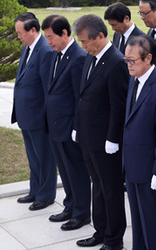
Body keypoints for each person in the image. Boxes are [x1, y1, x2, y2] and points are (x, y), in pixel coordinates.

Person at [72, 15, 128, 250]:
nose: (83, 47)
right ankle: (101, 231)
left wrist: (113, 138)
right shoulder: (91, 57)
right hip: (88, 136)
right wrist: (77, 126)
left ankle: (114, 239)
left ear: (101, 36)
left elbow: (118, 105)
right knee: (98, 186)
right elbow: (83, 95)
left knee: (111, 190)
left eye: (85, 41)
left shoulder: (116, 62)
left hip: (106, 141)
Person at [123, 35, 156, 250]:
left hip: (150, 170)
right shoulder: (135, 80)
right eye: (126, 60)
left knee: (155, 226)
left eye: (132, 60)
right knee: (139, 224)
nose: (128, 65)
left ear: (148, 58)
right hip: (134, 166)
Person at [42, 15, 91, 230]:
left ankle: (81, 213)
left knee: (76, 171)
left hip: (68, 127)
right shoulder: (56, 55)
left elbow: (78, 97)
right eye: (45, 38)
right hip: (55, 126)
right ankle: (70, 206)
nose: (48, 42)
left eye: (51, 37)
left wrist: (75, 128)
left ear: (64, 33)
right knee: (65, 170)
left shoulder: (78, 57)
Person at [12, 12, 57, 211]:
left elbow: (48, 88)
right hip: (26, 115)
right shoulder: (27, 48)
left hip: (39, 116)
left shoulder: (45, 51)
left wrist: (46, 117)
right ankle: (35, 190)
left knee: (44, 157)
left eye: (20, 33)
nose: (18, 37)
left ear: (32, 30)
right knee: (33, 157)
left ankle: (46, 195)